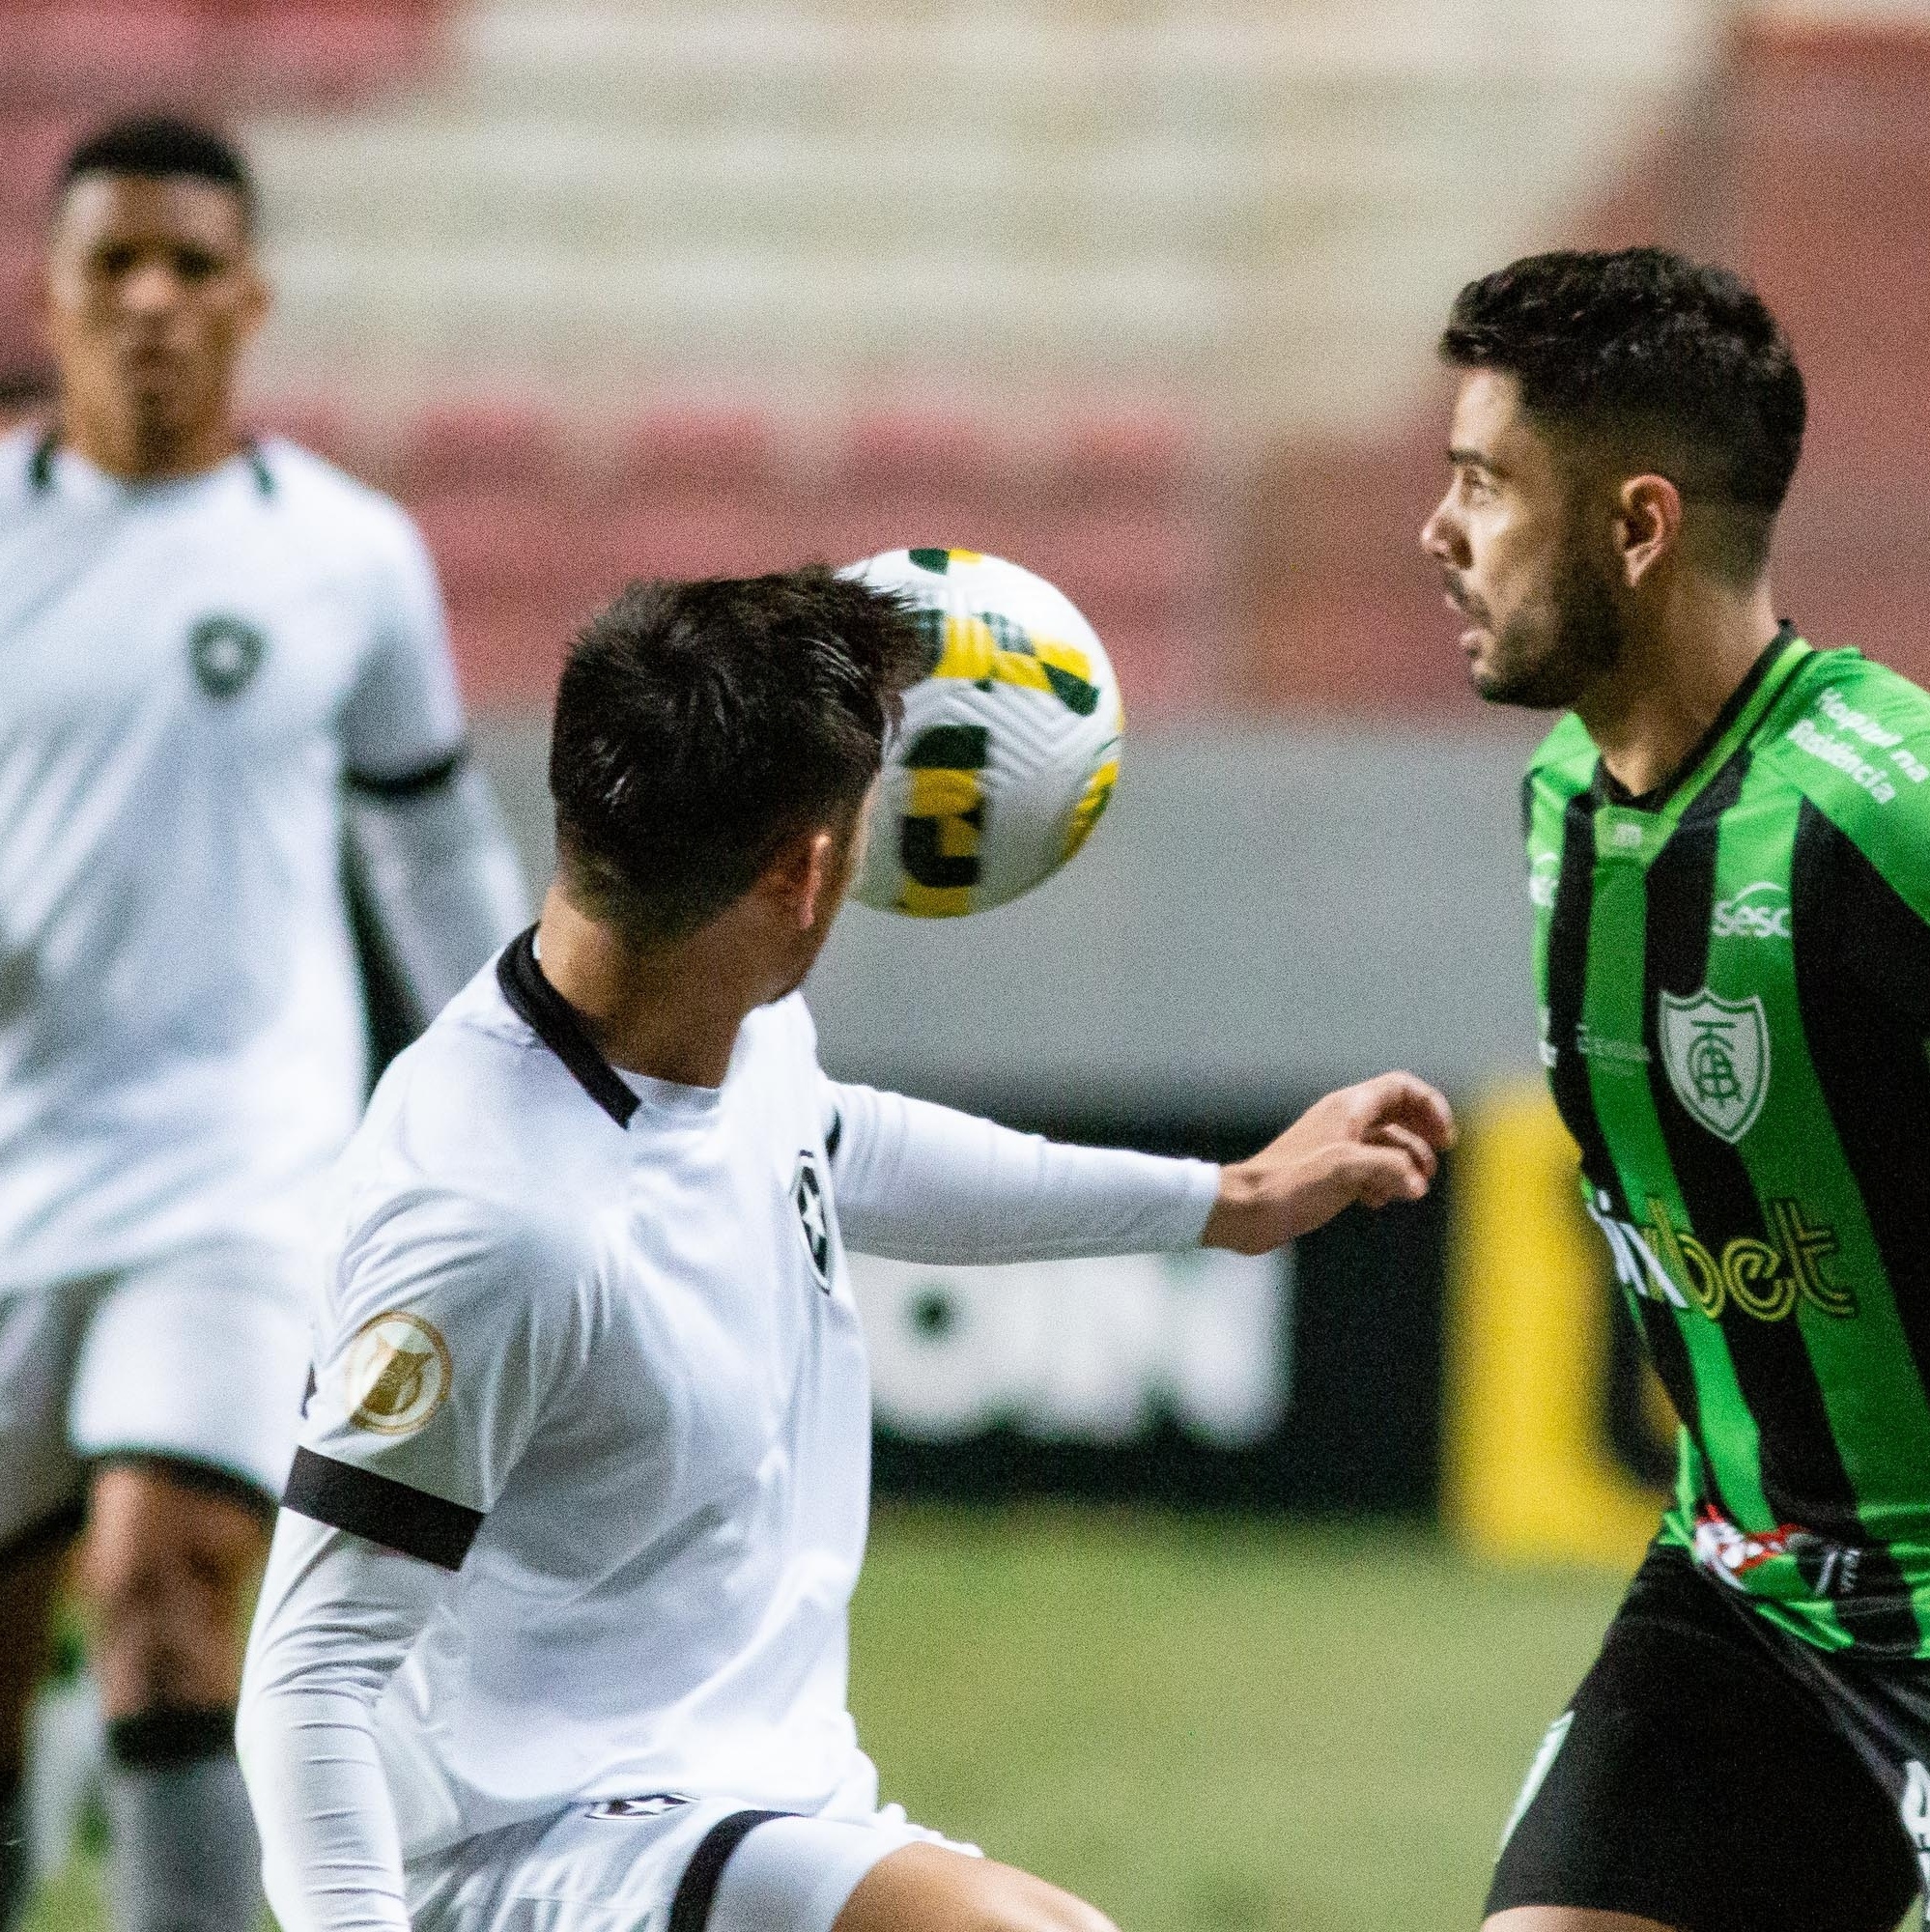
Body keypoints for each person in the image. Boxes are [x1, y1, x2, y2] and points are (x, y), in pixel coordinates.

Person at [236, 566, 1457, 1932]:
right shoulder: (496, 1220)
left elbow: (829, 1144)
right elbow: (312, 1677)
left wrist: (1217, 1201)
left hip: (759, 1794)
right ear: (807, 871)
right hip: (547, 1852)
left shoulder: (712, 1022)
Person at [0, 114, 526, 1932]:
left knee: (168, 1584)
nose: (151, 304)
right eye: (111, 269)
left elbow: (433, 853)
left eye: (190, 269)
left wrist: (543, 1062)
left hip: (239, 1169)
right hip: (12, 1167)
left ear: (253, 301)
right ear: (51, 298)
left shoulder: (351, 559)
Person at [1421, 245, 1930, 1932]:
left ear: (1637, 526)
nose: (1440, 530)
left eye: (1483, 483)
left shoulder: (1886, 809)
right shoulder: (1558, 793)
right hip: (1750, 1599)